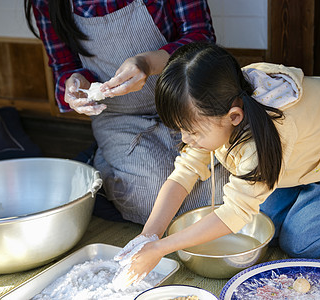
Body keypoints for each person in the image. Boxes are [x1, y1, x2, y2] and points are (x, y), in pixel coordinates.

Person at [112, 42, 320, 287]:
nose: (186, 140)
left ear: (234, 117)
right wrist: (148, 236)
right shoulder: (222, 96)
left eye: (193, 132)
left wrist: (161, 248)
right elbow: (184, 172)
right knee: (267, 223)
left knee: (300, 241)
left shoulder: (264, 137)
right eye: (181, 131)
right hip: (306, 158)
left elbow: (234, 213)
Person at [24, 0, 229, 224]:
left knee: (226, 189)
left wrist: (148, 63)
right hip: (119, 116)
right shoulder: (46, 3)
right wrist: (75, 84)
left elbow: (202, 40)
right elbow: (64, 68)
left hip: (186, 104)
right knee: (151, 200)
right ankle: (105, 162)